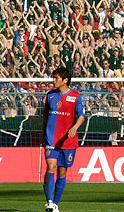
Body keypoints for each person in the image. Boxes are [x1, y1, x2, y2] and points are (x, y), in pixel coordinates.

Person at [42, 67, 86, 212]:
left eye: (56, 78)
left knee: (62, 171)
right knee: (51, 167)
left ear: (65, 80)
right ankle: (49, 202)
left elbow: (81, 116)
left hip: (67, 140)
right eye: (53, 77)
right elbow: (45, 117)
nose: (53, 80)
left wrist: (75, 128)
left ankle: (56, 203)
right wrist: (43, 135)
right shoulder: (50, 96)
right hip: (51, 139)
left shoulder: (76, 96)